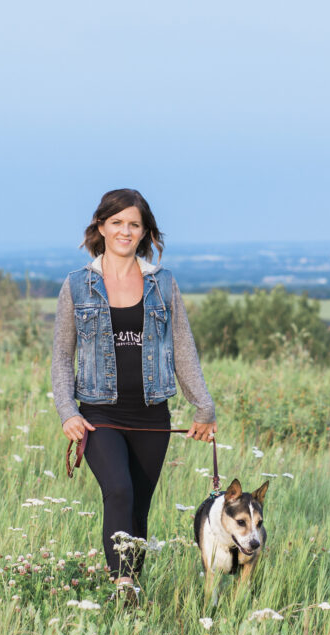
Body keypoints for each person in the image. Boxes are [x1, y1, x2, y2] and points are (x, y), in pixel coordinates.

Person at [51, 188, 216, 601]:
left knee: (139, 505)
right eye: (118, 223)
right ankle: (121, 582)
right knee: (119, 491)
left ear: (145, 232)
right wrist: (67, 411)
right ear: (101, 227)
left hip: (152, 415)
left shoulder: (163, 284)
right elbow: (60, 356)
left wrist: (204, 408)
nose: (126, 231)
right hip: (98, 413)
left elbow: (183, 350)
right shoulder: (76, 286)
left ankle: (132, 588)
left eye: (135, 224)